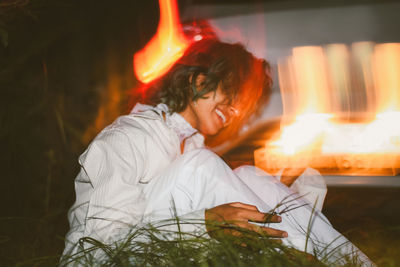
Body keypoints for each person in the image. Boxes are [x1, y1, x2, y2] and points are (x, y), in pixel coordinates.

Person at [62, 39, 374, 266]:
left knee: (256, 176)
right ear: (199, 81)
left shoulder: (190, 145)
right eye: (231, 95)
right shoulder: (128, 139)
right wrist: (206, 222)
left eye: (243, 105)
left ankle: (348, 263)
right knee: (205, 166)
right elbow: (96, 252)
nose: (235, 111)